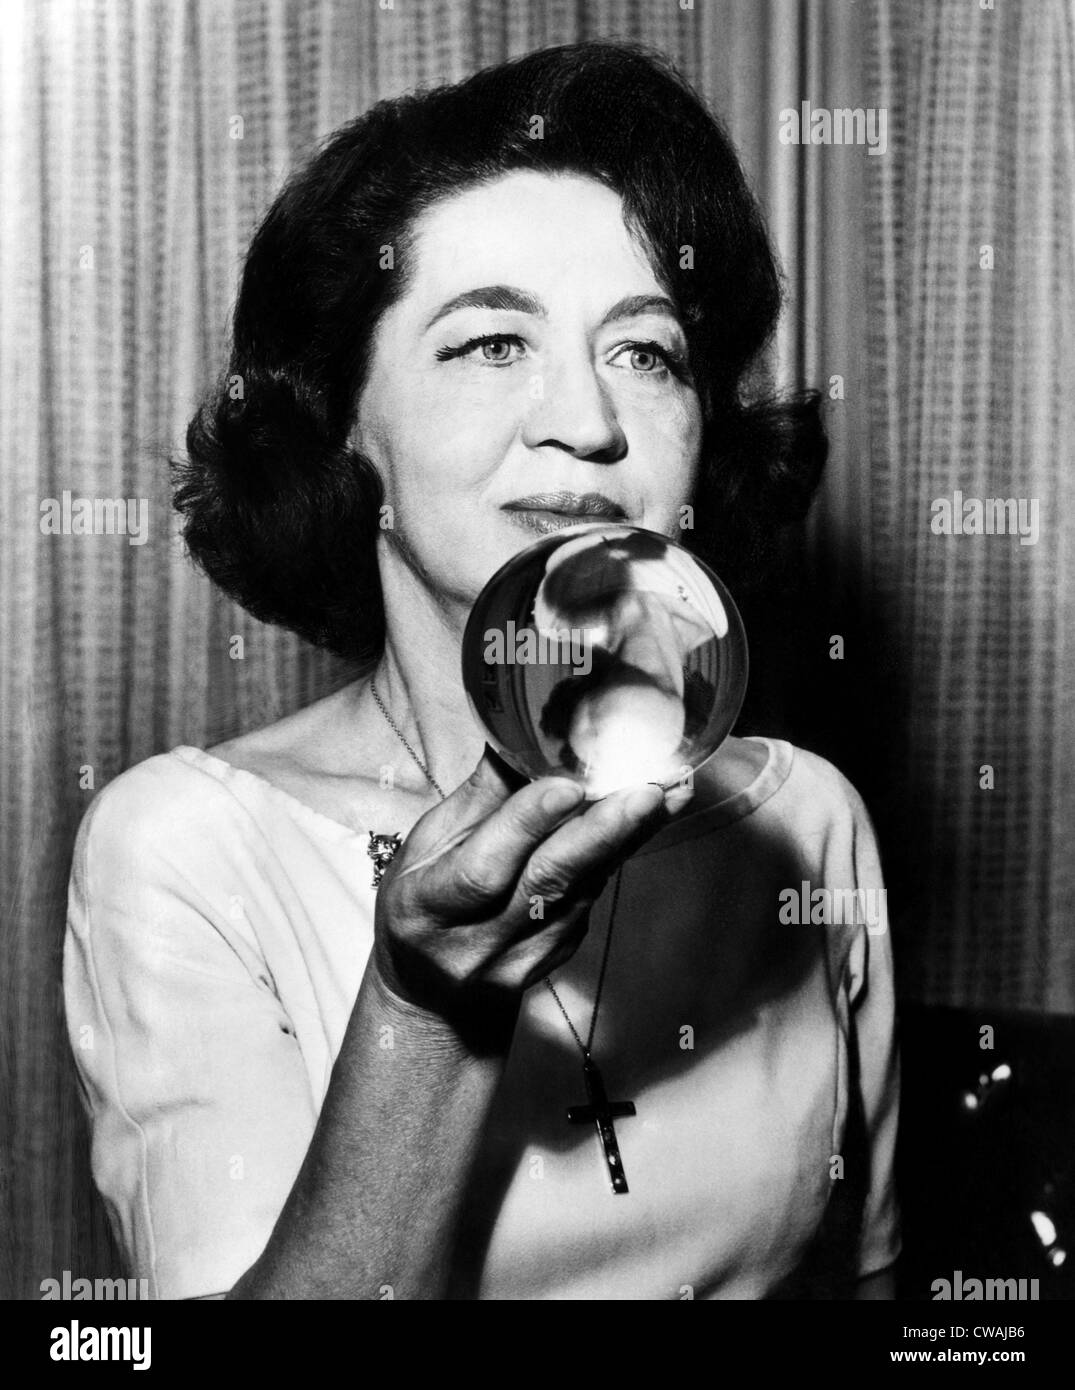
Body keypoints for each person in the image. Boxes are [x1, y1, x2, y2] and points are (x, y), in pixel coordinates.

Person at [63, 40, 900, 1300]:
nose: (590, 418)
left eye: (647, 352)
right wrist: (421, 1008)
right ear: (351, 432)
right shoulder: (183, 848)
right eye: (491, 344)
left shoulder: (806, 824)